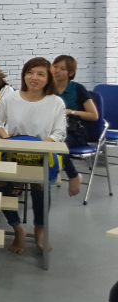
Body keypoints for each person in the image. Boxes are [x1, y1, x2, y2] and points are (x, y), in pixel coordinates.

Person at [0, 57, 66, 253]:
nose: (34, 77)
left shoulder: (55, 102)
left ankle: (40, 229)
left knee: (40, 184)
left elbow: (59, 133)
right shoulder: (10, 98)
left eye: (40, 74)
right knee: (0, 183)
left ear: (48, 78)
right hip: (12, 152)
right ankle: (17, 228)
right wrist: (9, 141)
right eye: (29, 72)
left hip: (41, 154)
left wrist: (38, 147)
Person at [51, 54, 98, 197]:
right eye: (55, 66)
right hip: (52, 129)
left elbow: (94, 115)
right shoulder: (47, 88)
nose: (57, 71)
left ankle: (73, 175)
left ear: (70, 73)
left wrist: (70, 112)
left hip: (74, 132)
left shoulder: (78, 89)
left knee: (57, 144)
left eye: (62, 69)